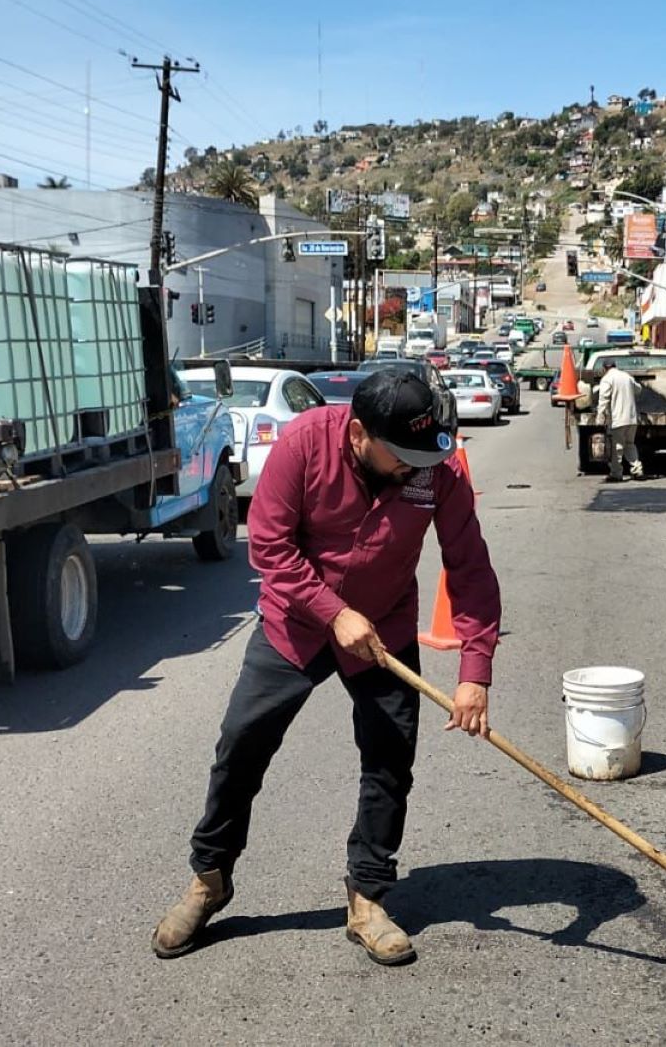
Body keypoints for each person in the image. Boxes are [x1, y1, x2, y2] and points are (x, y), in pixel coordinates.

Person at [151, 369, 502, 964]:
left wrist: (475, 671)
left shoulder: (431, 472)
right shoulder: (303, 445)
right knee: (242, 743)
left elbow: (469, 567)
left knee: (390, 760)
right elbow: (269, 547)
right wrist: (334, 612)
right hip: (297, 625)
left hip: (384, 630)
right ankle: (209, 878)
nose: (417, 468)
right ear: (360, 433)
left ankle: (367, 896)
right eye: (403, 456)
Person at [596, 363, 646, 482]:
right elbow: (638, 389)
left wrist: (600, 415)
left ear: (604, 369)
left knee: (617, 447)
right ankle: (637, 470)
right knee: (630, 444)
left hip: (618, 419)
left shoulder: (607, 379)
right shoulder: (627, 376)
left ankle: (616, 474)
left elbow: (604, 398)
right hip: (632, 418)